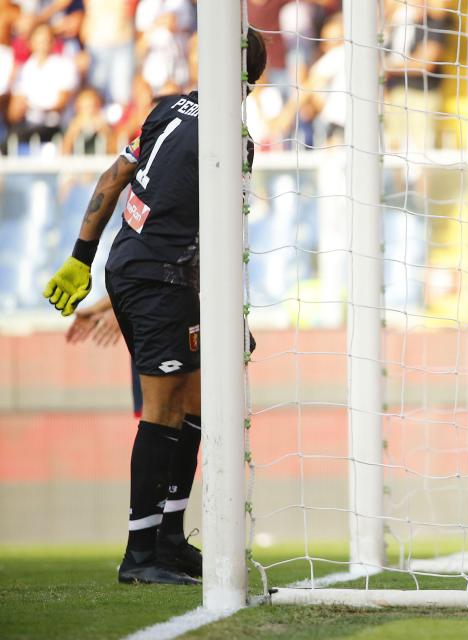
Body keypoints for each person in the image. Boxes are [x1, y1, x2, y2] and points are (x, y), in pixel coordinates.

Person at [42, 30, 267, 585]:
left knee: (196, 400)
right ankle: (140, 555)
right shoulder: (233, 140)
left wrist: (82, 259)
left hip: (140, 268)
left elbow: (115, 176)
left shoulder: (167, 107)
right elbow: (218, 234)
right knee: (165, 409)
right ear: (254, 78)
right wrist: (229, 310)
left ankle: (168, 538)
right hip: (161, 276)